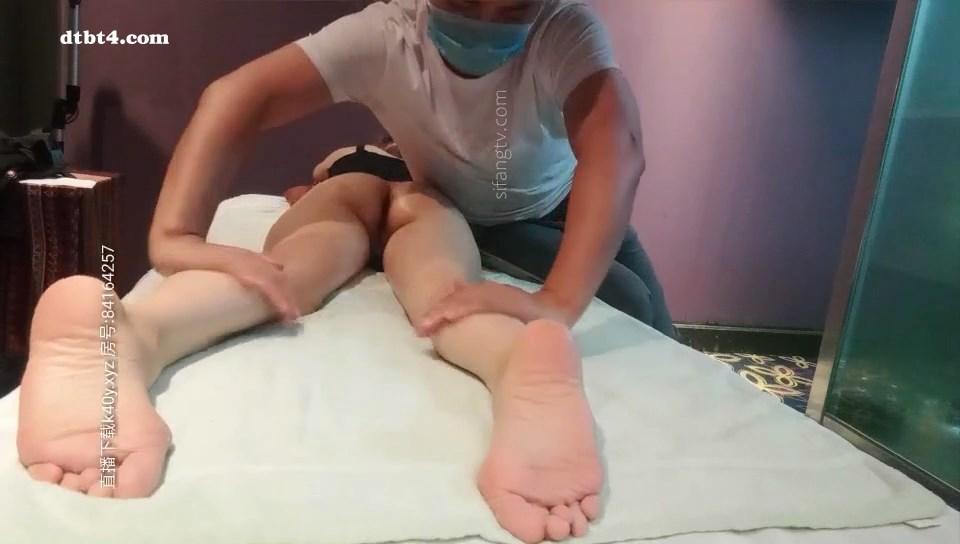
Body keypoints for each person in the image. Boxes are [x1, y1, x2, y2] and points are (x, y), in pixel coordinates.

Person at [16, 1, 674, 542]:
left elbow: (615, 146)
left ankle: (138, 331)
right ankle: (511, 360)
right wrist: (175, 238)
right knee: (442, 293)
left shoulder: (556, 36)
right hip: (422, 202)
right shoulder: (386, 53)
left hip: (429, 200)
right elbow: (239, 98)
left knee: (288, 271)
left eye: (512, 6)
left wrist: (558, 299)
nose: (486, 18)